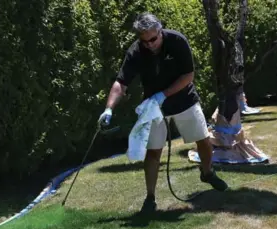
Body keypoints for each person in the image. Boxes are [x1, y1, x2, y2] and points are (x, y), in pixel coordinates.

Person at [97, 12, 228, 213]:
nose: (149, 44)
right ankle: (150, 198)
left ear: (160, 31)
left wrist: (163, 94)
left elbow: (188, 76)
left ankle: (208, 172)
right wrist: (108, 109)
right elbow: (121, 83)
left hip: (185, 100)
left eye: (153, 39)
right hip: (154, 108)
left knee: (203, 140)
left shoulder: (177, 41)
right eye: (144, 40)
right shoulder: (136, 51)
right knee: (153, 152)